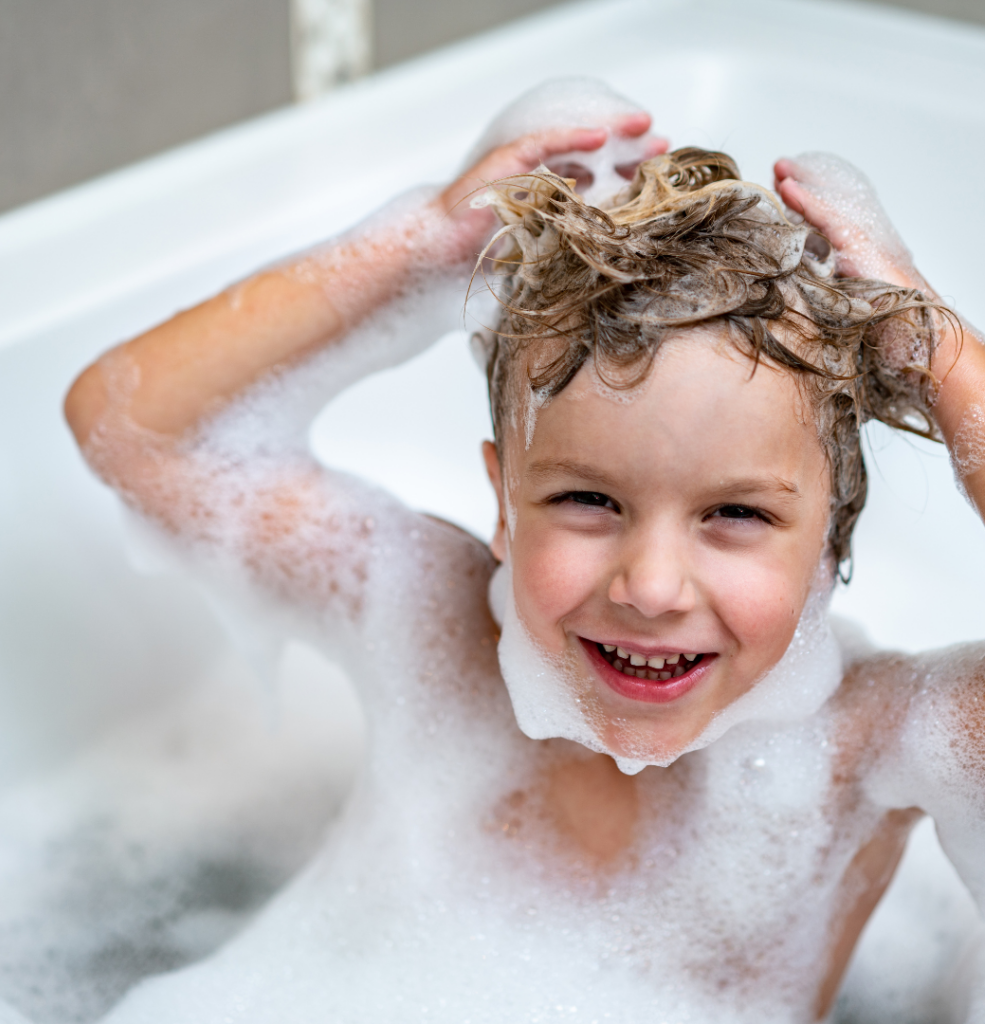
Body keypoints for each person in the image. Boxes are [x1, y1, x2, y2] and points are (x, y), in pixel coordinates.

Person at [64, 84, 985, 1023]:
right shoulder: (432, 625)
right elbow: (134, 431)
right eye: (589, 500)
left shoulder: (867, 743)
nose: (653, 587)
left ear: (828, 535)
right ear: (505, 502)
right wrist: (418, 245)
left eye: (736, 515)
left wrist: (939, 347)